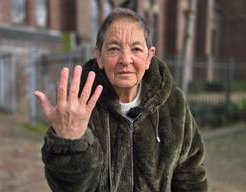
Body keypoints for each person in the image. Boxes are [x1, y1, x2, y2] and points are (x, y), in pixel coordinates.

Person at [35, 8, 207, 192]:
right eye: (114, 49)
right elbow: (69, 188)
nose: (126, 59)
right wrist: (70, 143)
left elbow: (191, 175)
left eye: (136, 49)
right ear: (99, 57)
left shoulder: (174, 104)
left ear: (149, 57)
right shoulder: (77, 109)